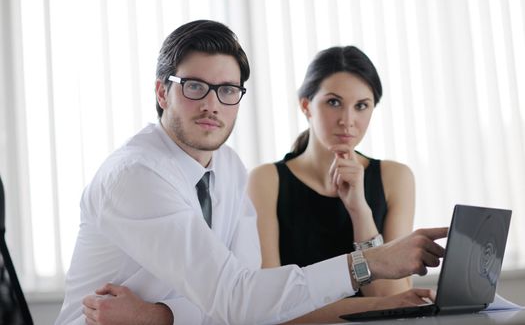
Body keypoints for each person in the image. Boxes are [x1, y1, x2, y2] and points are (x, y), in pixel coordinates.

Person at [55, 20, 447, 325]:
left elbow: (250, 301)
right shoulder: (135, 176)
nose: (212, 104)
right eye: (194, 87)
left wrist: (159, 316)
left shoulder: (227, 167)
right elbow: (239, 299)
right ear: (162, 93)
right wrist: (372, 262)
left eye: (227, 90)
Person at [248, 46, 421, 323]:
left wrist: (360, 211)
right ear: (306, 105)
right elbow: (271, 306)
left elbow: (393, 299)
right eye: (333, 102)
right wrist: (377, 306)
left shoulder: (395, 177)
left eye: (361, 106)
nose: (347, 121)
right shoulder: (266, 180)